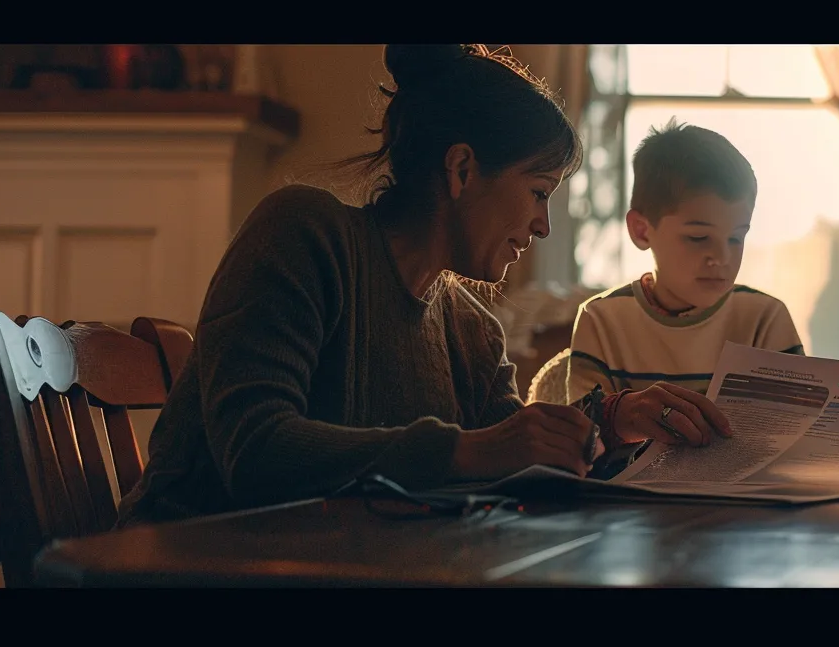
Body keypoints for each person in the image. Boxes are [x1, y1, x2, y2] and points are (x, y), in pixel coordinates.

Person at [117, 44, 607, 526]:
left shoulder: (472, 330)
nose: (542, 225)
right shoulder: (304, 236)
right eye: (538, 192)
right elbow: (255, 451)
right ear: (462, 170)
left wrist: (606, 427)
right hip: (185, 564)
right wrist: (465, 450)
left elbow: (511, 458)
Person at [562, 120, 799, 469]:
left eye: (736, 237)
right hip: (630, 511)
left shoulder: (765, 317)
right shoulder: (603, 319)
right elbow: (584, 443)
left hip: (745, 510)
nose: (721, 257)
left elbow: (791, 437)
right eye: (698, 238)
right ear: (642, 230)